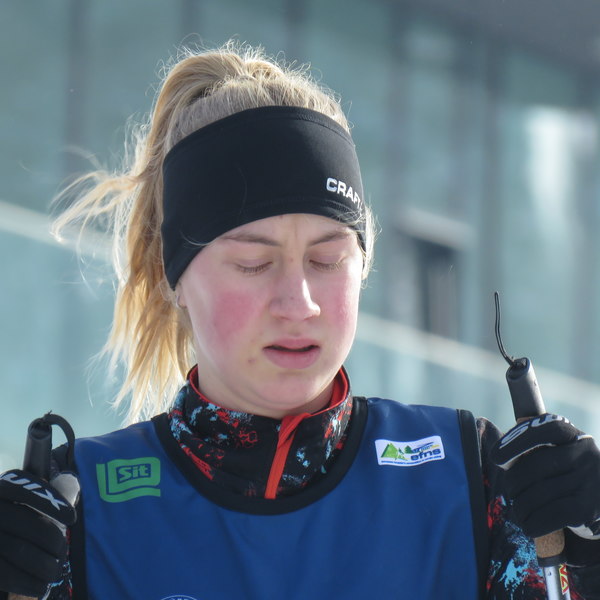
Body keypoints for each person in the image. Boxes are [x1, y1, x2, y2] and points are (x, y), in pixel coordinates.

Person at [1, 41, 599, 600]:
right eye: (253, 263)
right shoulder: (71, 515)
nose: (299, 301)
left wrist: (592, 551)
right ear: (172, 276)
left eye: (327, 259)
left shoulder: (473, 481)